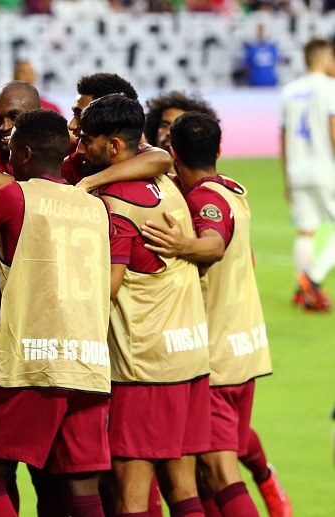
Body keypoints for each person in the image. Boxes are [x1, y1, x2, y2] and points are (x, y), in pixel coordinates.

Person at [0, 109, 114, 517]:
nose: (7, 158)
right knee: (82, 490)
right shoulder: (97, 208)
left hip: (35, 365)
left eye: (10, 150)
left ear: (25, 154)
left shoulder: (14, 196)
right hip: (91, 364)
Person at [79, 94, 210, 517]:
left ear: (114, 145)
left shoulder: (114, 204)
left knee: (129, 494)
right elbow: (159, 157)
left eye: (87, 139)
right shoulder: (165, 181)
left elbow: (109, 286)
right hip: (189, 354)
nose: (80, 148)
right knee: (183, 487)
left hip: (144, 367)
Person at [140, 112, 275, 517]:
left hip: (217, 360)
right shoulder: (231, 190)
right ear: (218, 149)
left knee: (219, 472)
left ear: (173, 152)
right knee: (203, 472)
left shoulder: (204, 199)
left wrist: (180, 245)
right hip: (244, 349)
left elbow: (213, 245)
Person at [281, 37, 335, 312]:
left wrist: (286, 176)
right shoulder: (330, 87)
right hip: (325, 167)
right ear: (324, 58)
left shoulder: (289, 90)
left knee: (306, 231)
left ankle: (303, 292)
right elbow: (333, 129)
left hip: (297, 169)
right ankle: (312, 280)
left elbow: (283, 135)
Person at [0, 60, 63, 134]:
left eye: (30, 73)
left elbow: (61, 138)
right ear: (14, 76)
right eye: (22, 73)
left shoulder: (52, 109)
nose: (27, 77)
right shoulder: (0, 110)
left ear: (35, 77)